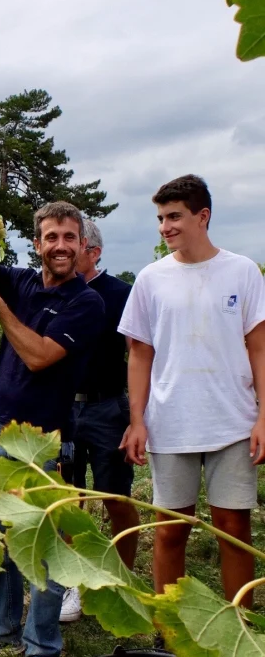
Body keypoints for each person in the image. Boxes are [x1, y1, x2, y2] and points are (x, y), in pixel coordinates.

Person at [0, 185, 105, 657]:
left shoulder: (87, 304)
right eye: (50, 237)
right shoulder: (18, 282)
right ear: (36, 244)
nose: (60, 245)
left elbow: (38, 356)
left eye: (69, 237)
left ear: (82, 244)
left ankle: (42, 651)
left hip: (46, 446)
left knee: (40, 549)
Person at [119, 174, 265, 608]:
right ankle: (170, 631)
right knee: (169, 529)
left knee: (234, 528)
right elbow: (140, 355)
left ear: (203, 217)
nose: (165, 226)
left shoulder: (241, 271)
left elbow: (258, 348)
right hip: (171, 422)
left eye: (174, 216)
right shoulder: (150, 279)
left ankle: (240, 627)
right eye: (161, 218)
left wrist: (263, 416)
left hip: (233, 422)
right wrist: (137, 420)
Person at [59, 219, 139, 624]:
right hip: (64, 409)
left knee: (116, 497)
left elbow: (139, 356)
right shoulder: (58, 292)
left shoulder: (121, 294)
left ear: (94, 252)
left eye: (77, 246)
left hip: (108, 408)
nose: (68, 255)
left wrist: (137, 417)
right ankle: (74, 582)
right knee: (68, 501)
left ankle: (119, 579)